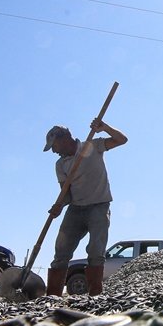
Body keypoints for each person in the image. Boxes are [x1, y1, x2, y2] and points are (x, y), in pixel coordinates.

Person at [43, 118, 128, 296]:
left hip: (99, 206)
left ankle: (95, 295)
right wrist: (59, 205)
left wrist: (105, 127)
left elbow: (122, 140)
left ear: (64, 138)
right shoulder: (60, 164)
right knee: (61, 251)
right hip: (75, 209)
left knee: (96, 251)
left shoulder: (92, 146)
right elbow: (66, 193)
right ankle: (52, 297)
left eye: (54, 146)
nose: (54, 151)